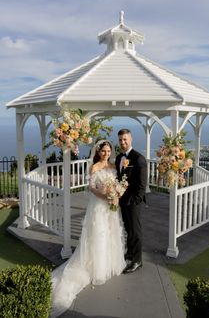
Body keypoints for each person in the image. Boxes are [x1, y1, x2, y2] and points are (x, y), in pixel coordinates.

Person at [50, 140, 126, 317]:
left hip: (111, 208)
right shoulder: (94, 167)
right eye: (103, 151)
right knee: (98, 234)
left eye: (108, 150)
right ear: (98, 152)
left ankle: (108, 262)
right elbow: (92, 188)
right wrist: (105, 195)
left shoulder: (114, 165)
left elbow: (119, 184)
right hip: (99, 206)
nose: (106, 153)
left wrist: (115, 195)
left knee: (111, 233)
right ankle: (96, 266)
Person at [115, 129, 147, 274]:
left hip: (133, 202)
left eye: (125, 139)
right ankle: (129, 253)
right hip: (123, 201)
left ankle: (137, 260)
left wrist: (134, 201)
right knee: (128, 229)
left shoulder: (138, 158)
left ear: (131, 139)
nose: (123, 142)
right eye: (121, 140)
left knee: (136, 231)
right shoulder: (118, 158)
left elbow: (142, 185)